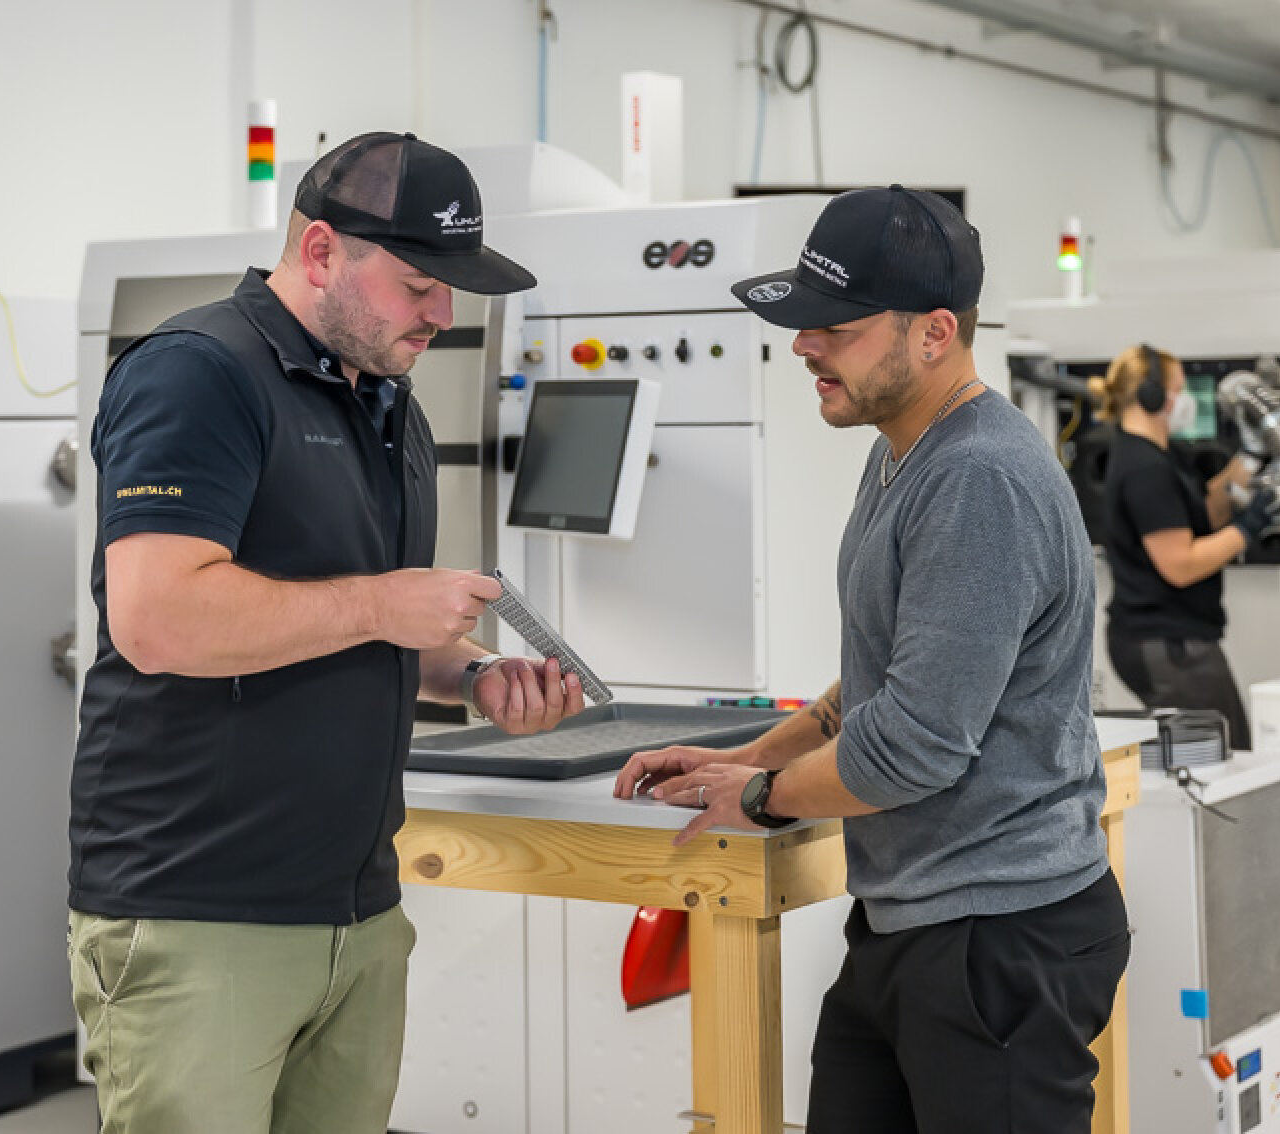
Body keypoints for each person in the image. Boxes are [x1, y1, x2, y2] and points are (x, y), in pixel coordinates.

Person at [67, 132, 584, 1134]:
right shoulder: (196, 372)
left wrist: (474, 676)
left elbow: (358, 626)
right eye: (417, 284)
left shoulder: (389, 406)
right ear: (317, 253)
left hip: (355, 912)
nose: (442, 314)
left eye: (452, 291)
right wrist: (384, 604)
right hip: (197, 911)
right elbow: (156, 618)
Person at [614, 186, 1130, 1132]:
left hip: (1000, 936)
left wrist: (759, 802)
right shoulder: (903, 448)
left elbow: (915, 747)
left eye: (833, 326)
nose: (803, 344)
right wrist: (748, 761)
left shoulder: (979, 477)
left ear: (934, 333)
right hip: (911, 919)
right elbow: (889, 679)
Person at [1094, 344, 1280, 752]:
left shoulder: (1159, 455)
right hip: (1168, 644)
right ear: (1151, 396)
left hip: (1167, 638)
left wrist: (1250, 457)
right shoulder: (1145, 470)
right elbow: (1179, 564)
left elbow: (1207, 512)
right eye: (1179, 390)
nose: (1185, 402)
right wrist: (1248, 528)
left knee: (1218, 748)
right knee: (1226, 753)